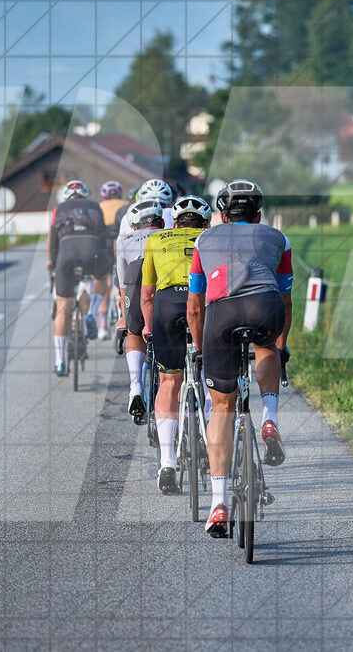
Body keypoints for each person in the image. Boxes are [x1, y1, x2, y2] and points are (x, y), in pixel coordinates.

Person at [186, 179, 293, 537]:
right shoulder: (278, 238)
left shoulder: (203, 240)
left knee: (222, 408)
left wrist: (203, 353)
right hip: (267, 304)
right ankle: (269, 418)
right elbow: (286, 298)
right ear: (258, 214)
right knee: (267, 350)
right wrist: (281, 344)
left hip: (222, 315)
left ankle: (218, 504)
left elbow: (194, 305)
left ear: (222, 215)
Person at [139, 196, 212, 494]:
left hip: (167, 305)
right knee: (211, 373)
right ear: (205, 223)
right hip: (203, 303)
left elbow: (146, 294)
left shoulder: (156, 238)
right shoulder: (212, 238)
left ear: (173, 223)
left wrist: (147, 326)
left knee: (169, 380)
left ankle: (167, 463)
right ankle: (211, 439)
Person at [47, 180, 112, 376]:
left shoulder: (58, 210)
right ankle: (91, 312)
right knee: (102, 277)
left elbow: (53, 240)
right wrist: (105, 258)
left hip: (65, 255)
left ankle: (59, 362)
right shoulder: (94, 206)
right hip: (91, 250)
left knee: (62, 309)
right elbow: (103, 235)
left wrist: (53, 263)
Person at [115, 200, 165, 419]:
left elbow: (122, 287)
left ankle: (136, 385)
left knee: (134, 332)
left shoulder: (125, 241)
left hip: (135, 282)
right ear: (162, 222)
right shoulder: (167, 237)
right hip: (163, 286)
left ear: (134, 226)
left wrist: (124, 318)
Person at [90, 180, 128, 340]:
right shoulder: (126, 204)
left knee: (103, 282)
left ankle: (103, 326)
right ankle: (123, 313)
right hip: (120, 242)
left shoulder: (99, 206)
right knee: (123, 280)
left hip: (103, 244)